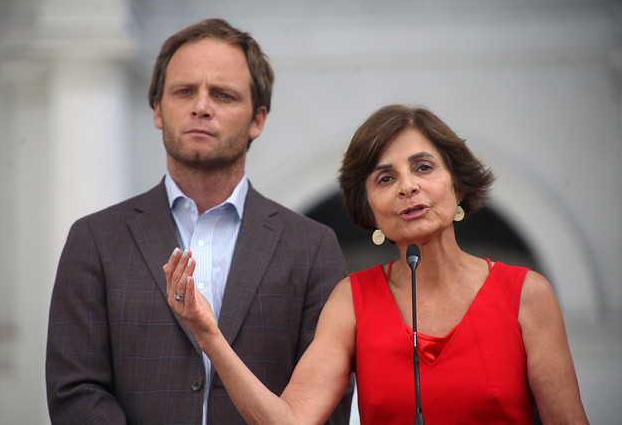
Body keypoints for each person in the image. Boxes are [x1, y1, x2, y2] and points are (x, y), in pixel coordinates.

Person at [164, 104, 590, 424]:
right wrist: (209, 335)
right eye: (385, 178)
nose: (407, 186)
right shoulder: (352, 300)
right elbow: (289, 421)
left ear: (458, 186)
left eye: (423, 167)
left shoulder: (526, 294)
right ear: (369, 208)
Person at [46, 18, 353, 424]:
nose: (201, 106)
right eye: (184, 91)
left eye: (223, 95)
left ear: (257, 119)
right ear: (158, 109)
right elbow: (75, 389)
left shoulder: (312, 247)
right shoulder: (95, 240)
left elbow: (328, 402)